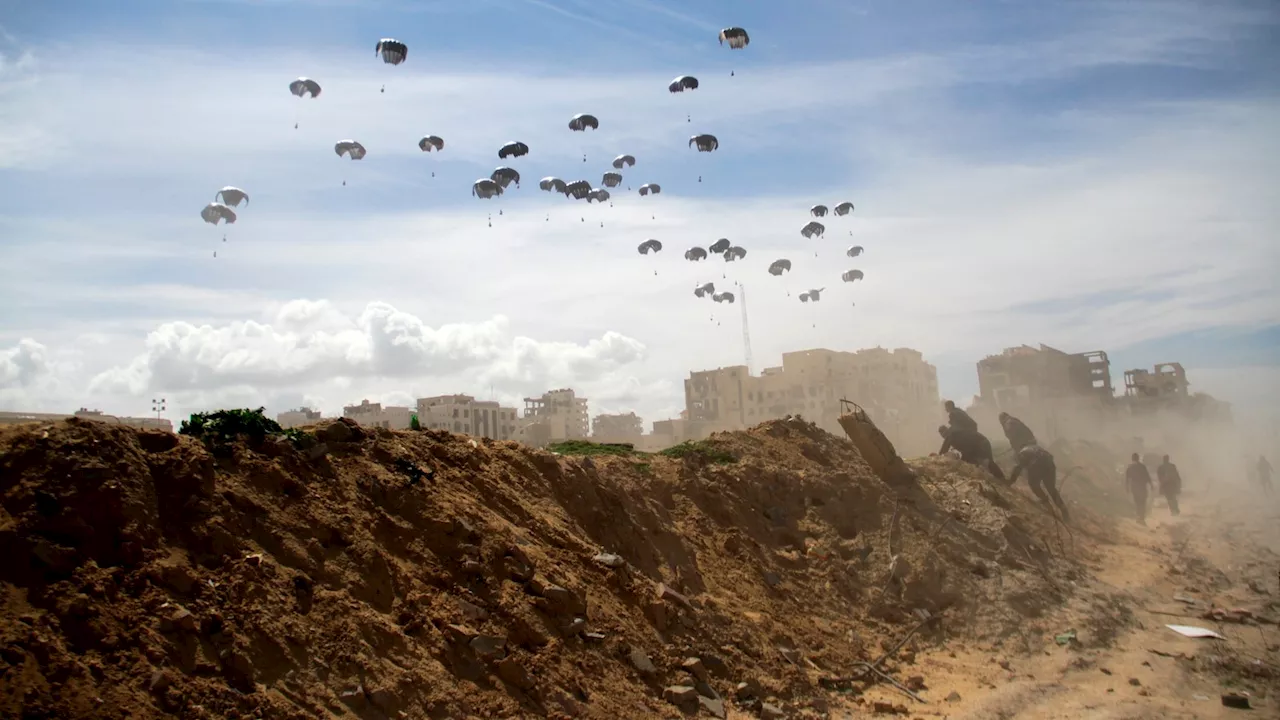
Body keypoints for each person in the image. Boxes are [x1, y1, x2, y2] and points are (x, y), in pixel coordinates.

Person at [1008, 443, 1070, 520]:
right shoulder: (1033, 447)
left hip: (1039, 464)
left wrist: (1009, 482)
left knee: (1033, 484)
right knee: (1051, 489)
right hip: (1050, 464)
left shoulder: (1022, 453)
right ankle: (1064, 511)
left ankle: (1047, 505)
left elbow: (1018, 468)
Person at [938, 425, 1007, 482]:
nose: (944, 437)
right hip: (978, 444)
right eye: (943, 436)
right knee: (981, 462)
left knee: (986, 461)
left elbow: (945, 448)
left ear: (946, 431)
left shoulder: (951, 434)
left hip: (981, 444)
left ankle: (1001, 479)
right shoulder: (953, 433)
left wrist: (938, 456)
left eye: (944, 434)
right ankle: (998, 479)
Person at [1125, 452, 1155, 525]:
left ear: (1132, 459)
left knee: (1137, 502)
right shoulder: (1142, 466)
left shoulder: (1130, 467)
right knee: (1142, 503)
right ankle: (1141, 518)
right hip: (1142, 487)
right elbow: (1147, 476)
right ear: (1138, 458)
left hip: (1134, 487)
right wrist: (1151, 485)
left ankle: (1139, 517)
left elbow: (1127, 479)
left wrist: (1127, 488)